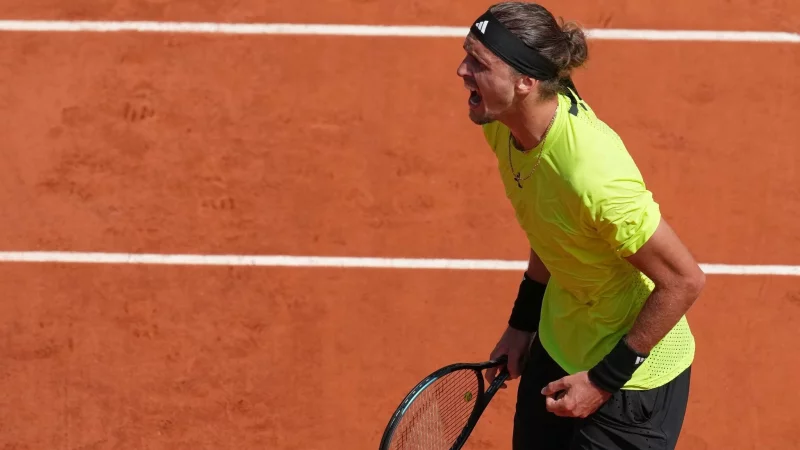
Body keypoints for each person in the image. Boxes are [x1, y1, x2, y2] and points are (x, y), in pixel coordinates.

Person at [455, 2, 706, 449]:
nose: (462, 71)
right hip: (559, 342)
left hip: (632, 380)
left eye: (479, 63)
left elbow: (683, 281)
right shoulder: (503, 124)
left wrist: (602, 381)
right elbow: (552, 228)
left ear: (525, 82)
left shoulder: (593, 174)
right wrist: (522, 324)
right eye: (465, 54)